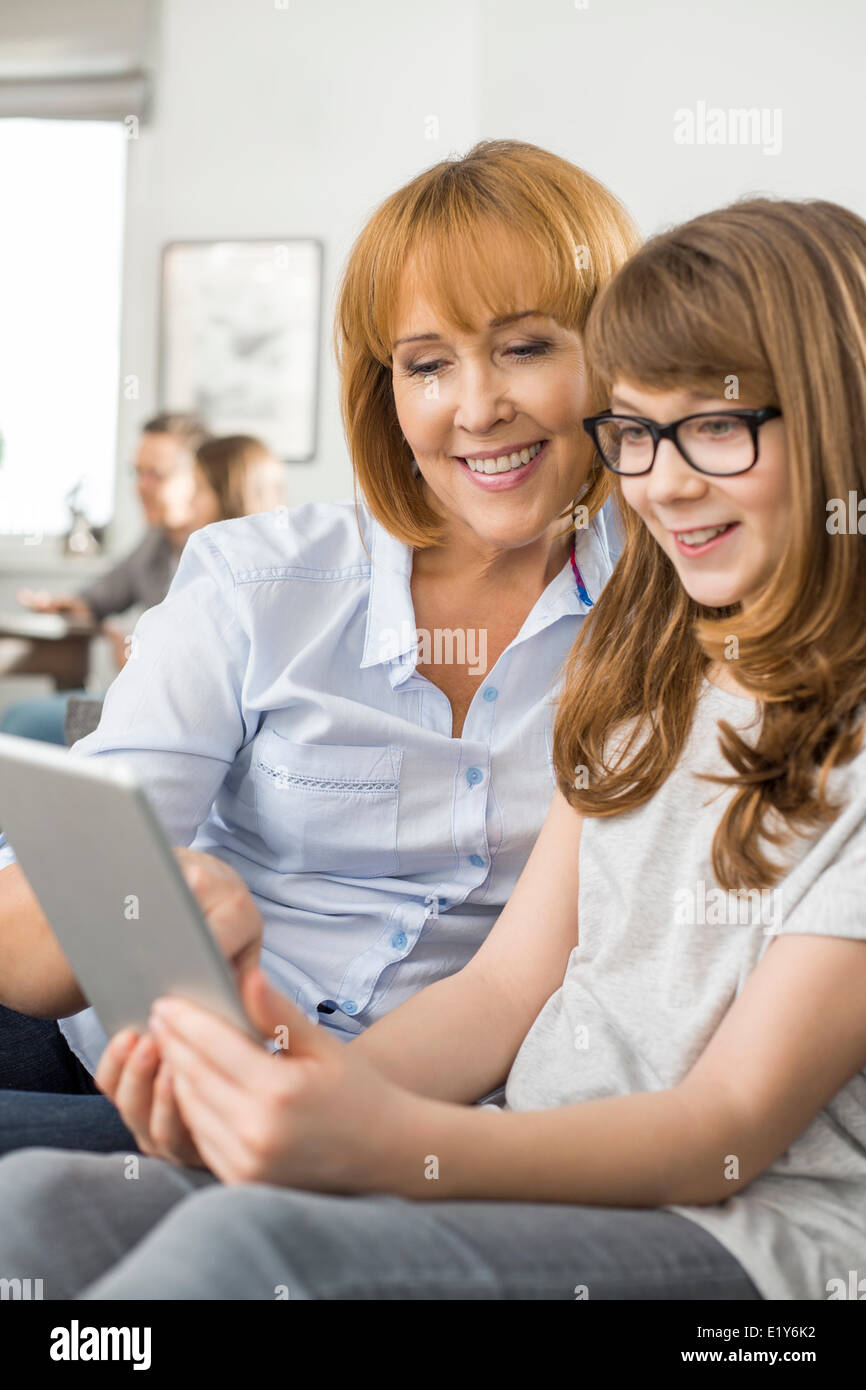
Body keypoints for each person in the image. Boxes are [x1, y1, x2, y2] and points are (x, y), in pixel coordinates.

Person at [0, 195, 863, 1303]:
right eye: (638, 434)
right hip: (516, 1149)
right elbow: (506, 988)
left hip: (739, 1224)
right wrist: (315, 1098)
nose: (664, 482)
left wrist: (382, 1140)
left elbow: (722, 1130)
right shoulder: (649, 675)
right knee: (39, 1210)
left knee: (245, 1255)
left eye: (716, 426)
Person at [0, 139, 638, 1155]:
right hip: (128, 1040)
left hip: (385, 1091)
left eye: (524, 347)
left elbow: (509, 987)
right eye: (427, 364)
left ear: (614, 356)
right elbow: (45, 923)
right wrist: (135, 907)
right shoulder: (256, 582)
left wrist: (298, 1105)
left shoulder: (659, 617)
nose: (476, 408)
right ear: (385, 388)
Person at [0, 413, 211, 744]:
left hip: (175, 717)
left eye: (156, 475)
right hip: (144, 701)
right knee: (18, 719)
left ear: (200, 478)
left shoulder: (222, 556)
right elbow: (101, 597)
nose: (141, 487)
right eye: (137, 473)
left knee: (20, 724)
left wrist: (144, 666)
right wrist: (70, 606)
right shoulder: (156, 542)